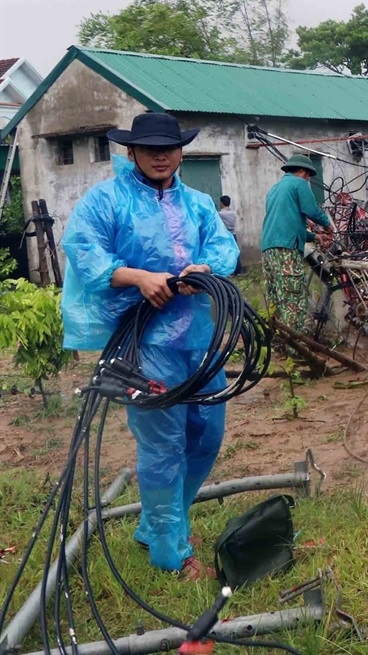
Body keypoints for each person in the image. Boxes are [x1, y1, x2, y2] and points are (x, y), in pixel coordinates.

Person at [60, 112, 239, 579]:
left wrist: (205, 270)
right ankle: (169, 550)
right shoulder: (106, 201)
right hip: (144, 345)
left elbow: (224, 249)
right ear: (131, 152)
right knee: (163, 445)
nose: (161, 155)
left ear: (181, 151)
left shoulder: (198, 204)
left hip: (199, 339)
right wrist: (137, 277)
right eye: (150, 148)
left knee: (206, 434)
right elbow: (83, 250)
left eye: (169, 147)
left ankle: (162, 521)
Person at [260, 155, 335, 331]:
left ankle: (279, 339)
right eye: (308, 175)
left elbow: (289, 224)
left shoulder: (274, 189)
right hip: (286, 250)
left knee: (278, 297)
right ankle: (294, 348)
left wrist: (315, 237)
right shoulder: (299, 184)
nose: (308, 179)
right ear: (301, 171)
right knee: (293, 298)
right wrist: (328, 226)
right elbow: (312, 210)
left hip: (268, 250)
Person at [219, 195, 242, 275]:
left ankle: (229, 271)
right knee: (235, 252)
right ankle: (238, 270)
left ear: (222, 203)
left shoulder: (221, 214)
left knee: (226, 254)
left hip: (226, 236)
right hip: (233, 234)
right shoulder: (233, 213)